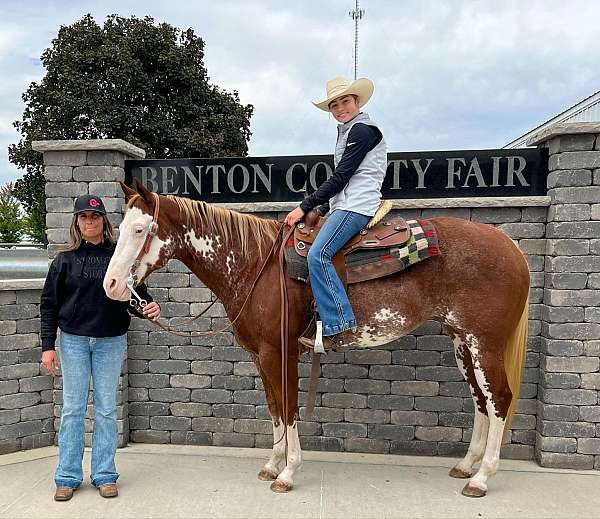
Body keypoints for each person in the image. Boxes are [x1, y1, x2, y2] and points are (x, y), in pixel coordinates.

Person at [40, 194, 161, 501]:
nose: (89, 222)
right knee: (72, 410)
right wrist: (48, 346)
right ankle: (67, 476)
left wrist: (148, 306)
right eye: (83, 217)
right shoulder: (63, 261)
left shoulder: (118, 256)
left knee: (107, 410)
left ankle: (105, 475)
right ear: (76, 223)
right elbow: (49, 305)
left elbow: (136, 295)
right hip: (74, 342)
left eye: (94, 217)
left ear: (103, 221)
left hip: (110, 341)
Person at [284, 76, 387, 350]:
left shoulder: (363, 130)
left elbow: (342, 177)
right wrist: (321, 208)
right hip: (347, 203)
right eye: (335, 105)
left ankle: (338, 324)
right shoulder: (349, 130)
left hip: (358, 206)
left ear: (356, 101)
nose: (341, 108)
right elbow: (346, 183)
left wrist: (304, 207)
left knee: (318, 255)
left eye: (346, 101)